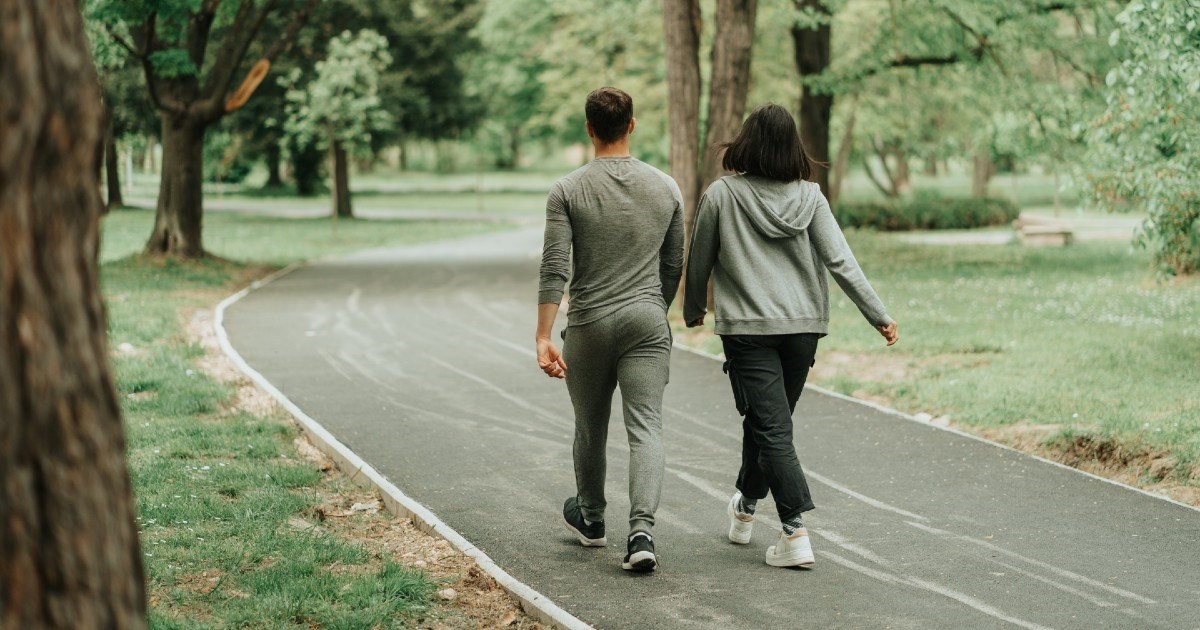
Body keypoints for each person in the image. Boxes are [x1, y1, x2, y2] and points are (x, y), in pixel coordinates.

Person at [683, 103, 899, 568]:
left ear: (747, 142)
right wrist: (877, 314)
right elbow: (840, 260)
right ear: (791, 147)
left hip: (749, 331)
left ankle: (794, 531)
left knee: (771, 426)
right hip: (804, 329)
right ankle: (743, 509)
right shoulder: (811, 198)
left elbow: (699, 257)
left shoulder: (722, 195)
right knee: (768, 423)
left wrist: (694, 308)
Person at [535, 87, 684, 572]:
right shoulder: (666, 187)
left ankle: (593, 520)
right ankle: (641, 532)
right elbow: (673, 262)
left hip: (589, 325)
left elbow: (555, 265)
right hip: (646, 321)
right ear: (632, 125)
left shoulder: (567, 189)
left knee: (590, 427)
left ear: (589, 129)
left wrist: (543, 335)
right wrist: (652, 308)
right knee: (646, 428)